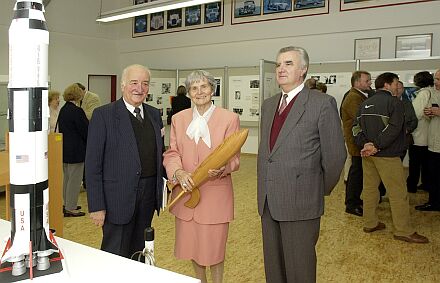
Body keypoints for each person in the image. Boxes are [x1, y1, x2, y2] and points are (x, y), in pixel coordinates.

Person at [257, 46, 346, 283]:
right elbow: (268, 153)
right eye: (278, 65)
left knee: (300, 270)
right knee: (274, 269)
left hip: (301, 201)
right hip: (268, 201)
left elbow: (336, 156)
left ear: (303, 70)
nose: (281, 69)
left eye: (288, 64)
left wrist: (316, 188)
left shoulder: (321, 103)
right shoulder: (268, 105)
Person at [163, 70, 240, 283]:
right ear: (188, 93)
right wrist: (178, 172)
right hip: (186, 196)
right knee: (192, 249)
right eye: (194, 88)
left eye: (204, 87)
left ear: (212, 89)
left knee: (215, 251)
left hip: (215, 198)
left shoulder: (229, 119)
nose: (199, 92)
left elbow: (235, 158)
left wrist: (223, 167)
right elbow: (172, 152)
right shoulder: (179, 119)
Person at [85, 64, 165, 259]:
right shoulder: (104, 115)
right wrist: (96, 206)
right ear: (122, 85)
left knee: (140, 251)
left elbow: (158, 154)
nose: (139, 88)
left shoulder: (154, 114)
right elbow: (93, 164)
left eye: (145, 83)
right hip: (116, 200)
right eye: (134, 82)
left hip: (147, 198)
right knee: (115, 254)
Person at [352, 72, 429, 244]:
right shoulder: (394, 103)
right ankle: (403, 231)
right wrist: (376, 145)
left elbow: (355, 128)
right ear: (387, 85)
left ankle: (370, 223)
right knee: (398, 193)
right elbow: (394, 129)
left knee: (370, 190)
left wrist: (366, 145)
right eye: (395, 83)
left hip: (368, 155)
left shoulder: (364, 104)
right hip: (387, 155)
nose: (397, 86)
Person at [340, 70, 372, 216]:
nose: (370, 83)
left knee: (358, 172)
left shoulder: (360, 95)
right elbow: (362, 119)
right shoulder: (353, 97)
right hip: (356, 141)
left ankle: (355, 200)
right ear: (357, 82)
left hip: (359, 140)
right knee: (356, 172)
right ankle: (351, 204)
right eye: (367, 81)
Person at [58, 84, 89, 217]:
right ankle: (71, 207)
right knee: (75, 180)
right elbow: (85, 130)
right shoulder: (77, 111)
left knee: (67, 179)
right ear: (78, 95)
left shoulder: (63, 110)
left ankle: (66, 203)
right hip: (76, 151)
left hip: (64, 149)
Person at [415, 69, 440, 211]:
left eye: (438, 79)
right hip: (433, 143)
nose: (435, 82)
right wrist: (428, 113)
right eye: (435, 78)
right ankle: (434, 202)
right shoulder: (433, 94)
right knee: (434, 175)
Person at [407, 71, 434, 193]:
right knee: (425, 163)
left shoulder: (423, 94)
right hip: (426, 134)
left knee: (415, 163)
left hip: (419, 135)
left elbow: (416, 113)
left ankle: (411, 186)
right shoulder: (431, 92)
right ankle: (426, 183)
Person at [395, 80, 418, 158]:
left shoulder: (407, 103)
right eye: (395, 88)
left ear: (403, 89)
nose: (397, 90)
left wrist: (407, 130)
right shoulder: (387, 102)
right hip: (389, 142)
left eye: (399, 88)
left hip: (403, 141)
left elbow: (414, 120)